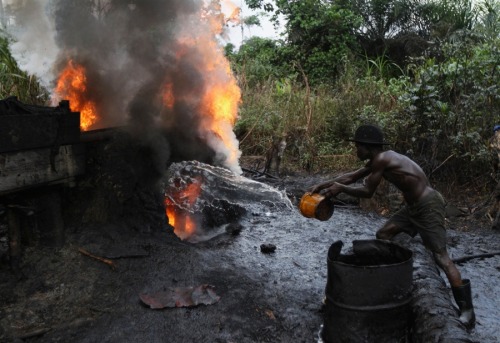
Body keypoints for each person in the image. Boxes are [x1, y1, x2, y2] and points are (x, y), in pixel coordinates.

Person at [311, 124, 475, 328]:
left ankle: (467, 310)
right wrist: (324, 185)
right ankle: (399, 272)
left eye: (357, 147)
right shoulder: (380, 159)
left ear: (367, 147)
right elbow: (352, 176)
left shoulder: (381, 159)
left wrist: (340, 189)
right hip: (413, 206)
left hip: (428, 205)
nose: (356, 151)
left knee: (442, 257)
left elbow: (367, 191)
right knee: (384, 234)